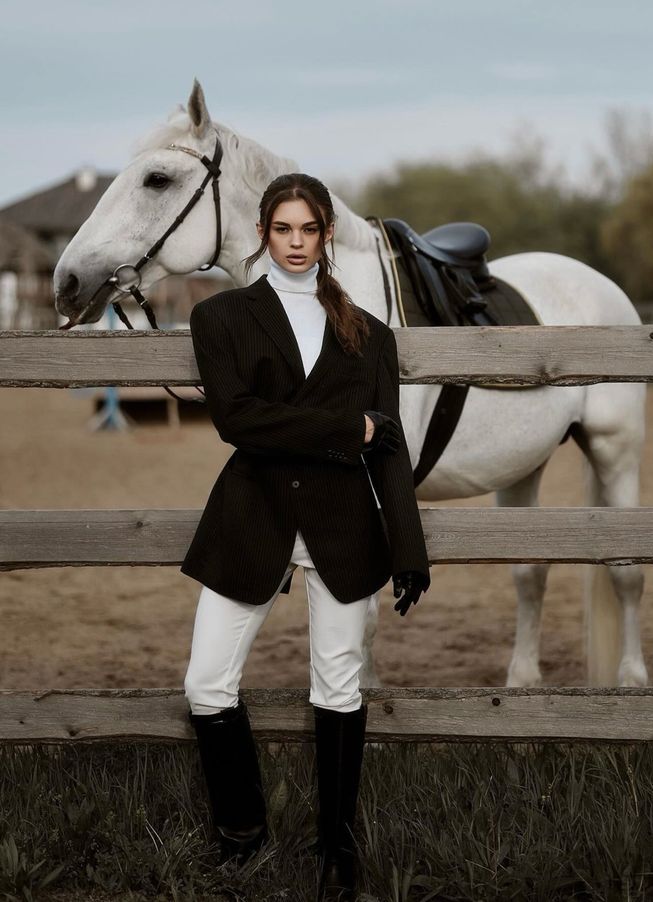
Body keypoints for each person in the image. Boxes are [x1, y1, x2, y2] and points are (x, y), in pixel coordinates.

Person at [180, 172, 430, 900]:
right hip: (252, 516)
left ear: (326, 236)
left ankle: (338, 851)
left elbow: (390, 447)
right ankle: (242, 834)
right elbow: (239, 420)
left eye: (308, 230)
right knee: (205, 684)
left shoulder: (371, 335)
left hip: (344, 526)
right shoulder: (220, 318)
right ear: (263, 232)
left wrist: (408, 549)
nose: (295, 243)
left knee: (339, 687)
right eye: (282, 229)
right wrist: (345, 429)